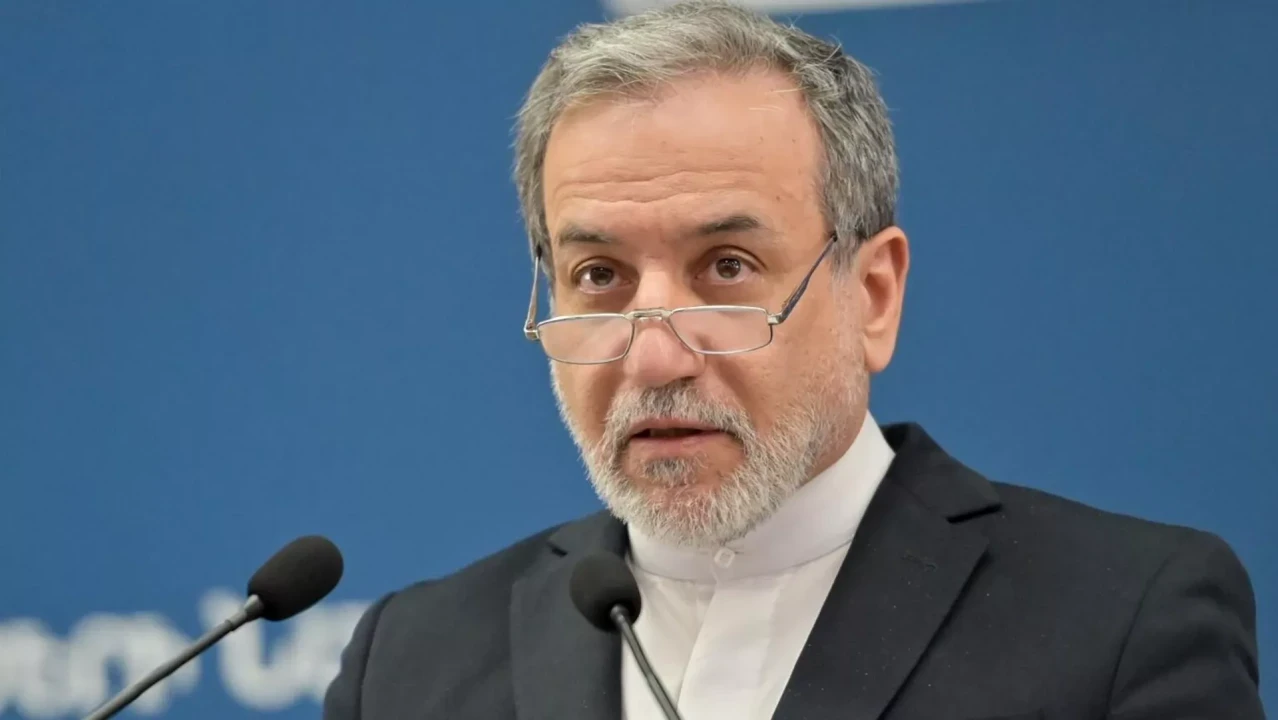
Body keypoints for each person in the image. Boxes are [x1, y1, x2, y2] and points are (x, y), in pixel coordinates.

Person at [322, 2, 1264, 718]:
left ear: (873, 295)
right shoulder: (408, 665)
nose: (655, 355)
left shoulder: (1122, 625)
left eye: (727, 267)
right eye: (599, 275)